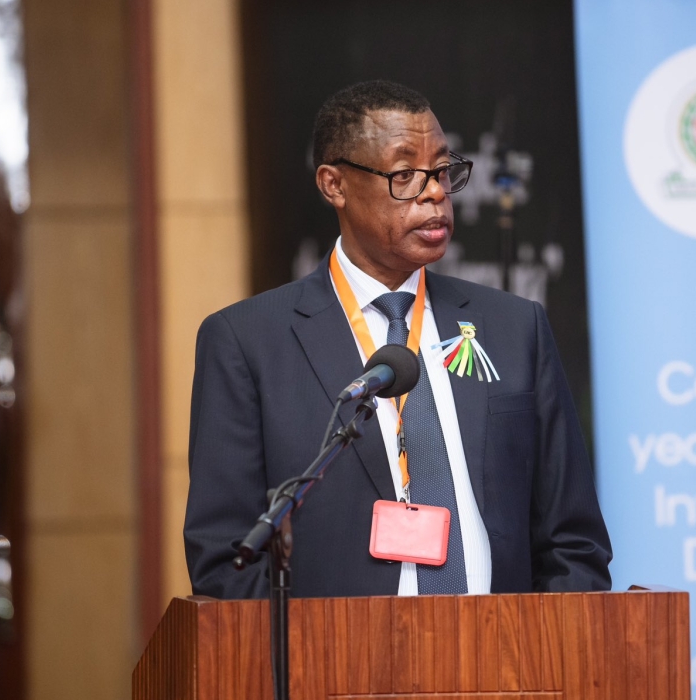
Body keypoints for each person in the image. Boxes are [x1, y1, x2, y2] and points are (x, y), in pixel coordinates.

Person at [184, 80, 611, 599]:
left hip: (507, 663)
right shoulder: (248, 343)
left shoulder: (515, 328)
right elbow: (227, 556)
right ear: (333, 184)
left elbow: (573, 542)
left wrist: (550, 660)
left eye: (441, 171)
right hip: (338, 671)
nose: (434, 192)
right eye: (405, 174)